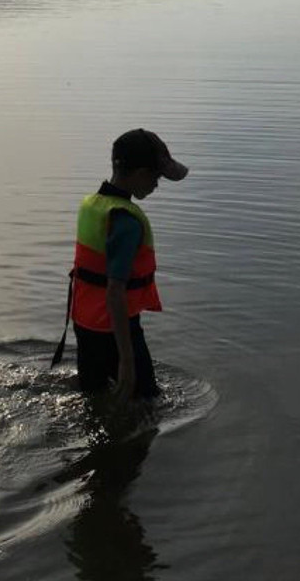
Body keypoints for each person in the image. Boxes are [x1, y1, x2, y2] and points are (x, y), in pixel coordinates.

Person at [51, 129, 188, 404]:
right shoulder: (126, 221)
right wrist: (126, 360)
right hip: (115, 330)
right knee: (148, 403)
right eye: (156, 177)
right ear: (139, 173)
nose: (157, 185)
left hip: (85, 324)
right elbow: (115, 291)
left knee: (94, 399)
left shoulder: (93, 205)